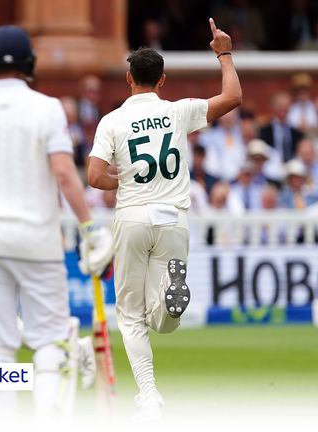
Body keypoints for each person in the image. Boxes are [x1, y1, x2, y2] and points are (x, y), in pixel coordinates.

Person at [0, 25, 112, 418]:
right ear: (30, 64)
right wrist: (89, 230)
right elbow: (64, 173)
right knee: (50, 342)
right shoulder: (47, 108)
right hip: (37, 240)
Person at [87, 19, 242, 420]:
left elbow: (94, 176)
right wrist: (224, 54)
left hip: (133, 217)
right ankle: (172, 302)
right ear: (162, 80)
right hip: (174, 218)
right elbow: (232, 97)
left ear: (129, 78)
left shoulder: (112, 121)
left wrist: (120, 179)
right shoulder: (177, 111)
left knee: (130, 316)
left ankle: (150, 395)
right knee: (165, 321)